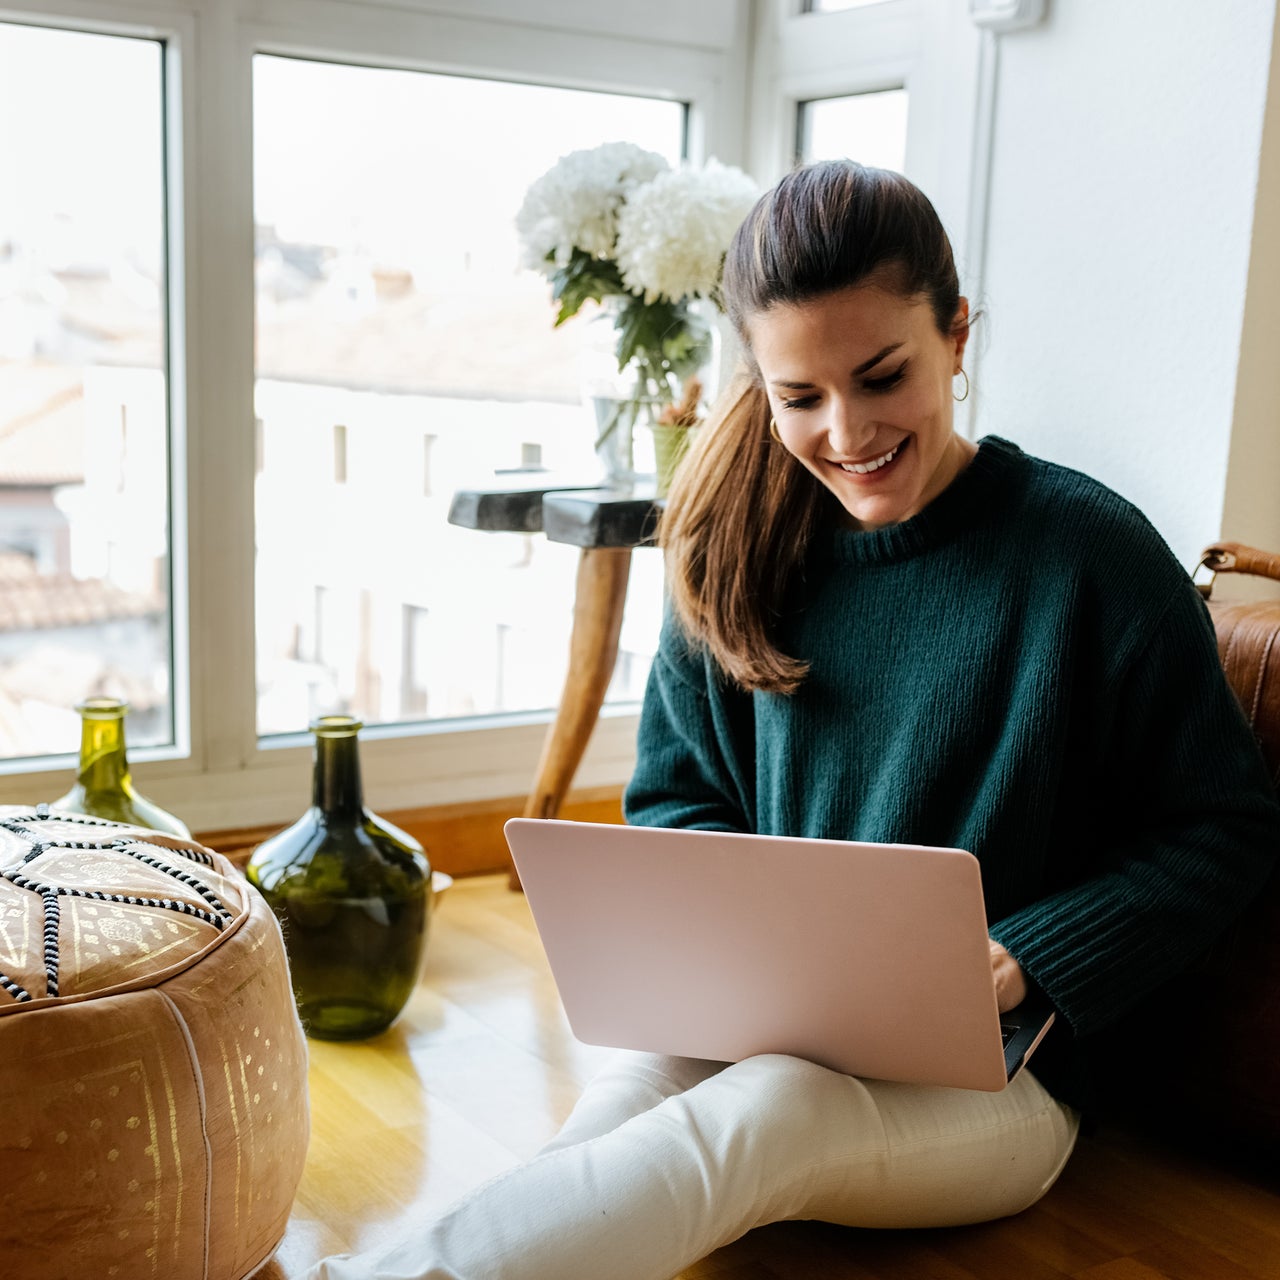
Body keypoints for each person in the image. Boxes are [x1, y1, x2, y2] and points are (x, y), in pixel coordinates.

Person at [303, 160, 1280, 1280]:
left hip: (1003, 1081)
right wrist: (750, 940)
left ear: (957, 335)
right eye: (798, 397)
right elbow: (676, 800)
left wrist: (1021, 955)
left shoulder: (1088, 552)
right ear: (754, 383)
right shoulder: (735, 550)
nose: (846, 432)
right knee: (612, 1114)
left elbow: (1225, 824)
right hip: (755, 1020)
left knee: (766, 1112)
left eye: (880, 376)